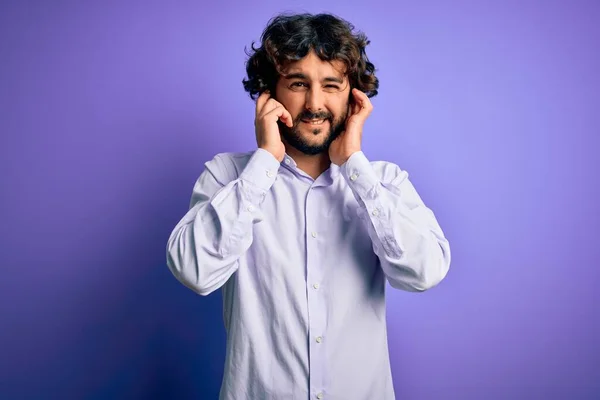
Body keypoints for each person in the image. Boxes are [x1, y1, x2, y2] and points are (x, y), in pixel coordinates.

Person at [166, 12, 451, 400]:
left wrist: (356, 168)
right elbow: (194, 272)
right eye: (298, 83)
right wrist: (265, 160)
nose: (315, 103)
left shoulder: (384, 182)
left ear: (353, 95)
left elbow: (423, 273)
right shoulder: (226, 177)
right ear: (270, 93)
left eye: (331, 85)